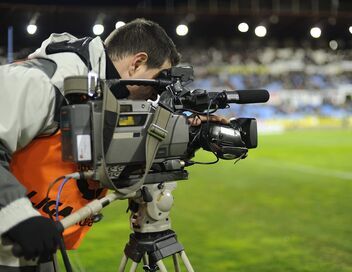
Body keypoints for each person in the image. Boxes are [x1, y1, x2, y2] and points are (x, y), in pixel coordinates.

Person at [0, 18, 180, 271]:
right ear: (137, 62)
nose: (156, 93)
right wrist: (16, 217)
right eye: (157, 79)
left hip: (28, 242)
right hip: (15, 235)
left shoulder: (102, 91)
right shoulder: (48, 80)